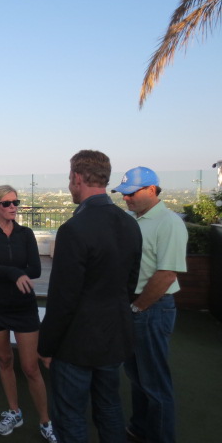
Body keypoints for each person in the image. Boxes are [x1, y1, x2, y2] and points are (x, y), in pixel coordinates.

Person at [38, 150, 143, 443]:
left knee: (70, 416)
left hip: (76, 345)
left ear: (78, 177)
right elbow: (130, 285)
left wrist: (46, 347)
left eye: (70, 178)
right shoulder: (130, 224)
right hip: (114, 338)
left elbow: (63, 300)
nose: (69, 184)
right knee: (110, 408)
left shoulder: (74, 229)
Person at [111, 167, 188, 443]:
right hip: (138, 308)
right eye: (124, 194)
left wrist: (138, 307)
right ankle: (141, 429)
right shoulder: (135, 219)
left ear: (152, 190)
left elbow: (167, 274)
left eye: (132, 194)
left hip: (152, 308)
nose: (127, 199)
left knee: (154, 383)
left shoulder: (168, 222)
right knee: (138, 377)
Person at [0, 185, 56, 442]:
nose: (13, 207)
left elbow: (35, 270)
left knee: (31, 368)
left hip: (23, 308)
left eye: (16, 202)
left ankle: (46, 422)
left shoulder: (26, 234)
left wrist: (6, 268)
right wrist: (15, 272)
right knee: (4, 361)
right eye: (7, 203)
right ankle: (14, 412)